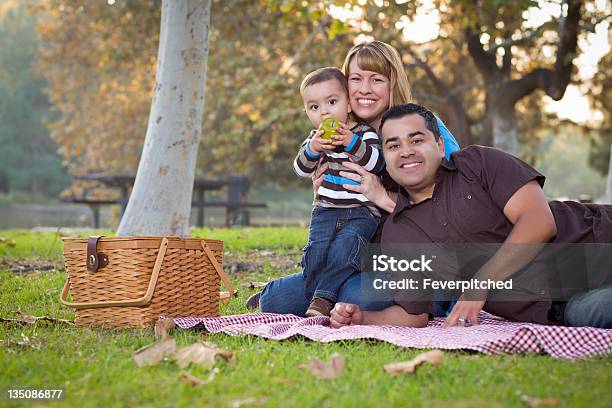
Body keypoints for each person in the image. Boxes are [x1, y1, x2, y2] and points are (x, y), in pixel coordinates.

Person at [329, 103, 612, 329]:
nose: (406, 152)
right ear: (386, 160)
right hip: (565, 305)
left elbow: (539, 221)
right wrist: (364, 319)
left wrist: (478, 286)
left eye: (416, 139)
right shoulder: (399, 233)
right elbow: (414, 314)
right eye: (393, 146)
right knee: (599, 312)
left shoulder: (478, 164)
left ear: (439, 145)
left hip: (598, 244)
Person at [248, 41, 460, 316]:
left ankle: (328, 293)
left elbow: (449, 212)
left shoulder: (419, 126)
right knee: (277, 302)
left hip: (416, 262)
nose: (364, 89)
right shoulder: (341, 136)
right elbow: (311, 173)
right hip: (365, 259)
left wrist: (382, 197)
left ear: (393, 83)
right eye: (356, 79)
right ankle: (317, 292)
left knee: (355, 294)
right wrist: (323, 189)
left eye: (377, 80)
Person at [293, 67, 384, 316]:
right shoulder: (315, 139)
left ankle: (321, 300)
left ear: (348, 104)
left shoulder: (364, 134)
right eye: (314, 107)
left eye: (331, 102)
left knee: (344, 250)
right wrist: (313, 148)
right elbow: (300, 169)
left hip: (360, 211)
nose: (324, 112)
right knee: (315, 254)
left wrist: (350, 142)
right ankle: (313, 296)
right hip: (325, 210)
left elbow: (378, 163)